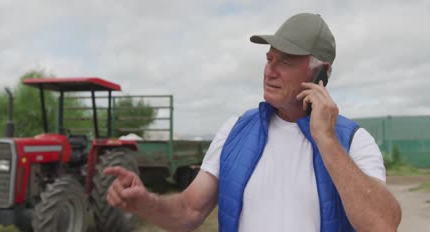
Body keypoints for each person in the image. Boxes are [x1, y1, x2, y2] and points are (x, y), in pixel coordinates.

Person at [104, 13, 402, 231]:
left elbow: (383, 224)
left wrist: (326, 140)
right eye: (269, 59)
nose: (270, 70)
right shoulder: (236, 131)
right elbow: (189, 210)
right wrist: (147, 203)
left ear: (319, 75)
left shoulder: (353, 141)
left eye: (285, 61)